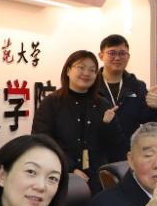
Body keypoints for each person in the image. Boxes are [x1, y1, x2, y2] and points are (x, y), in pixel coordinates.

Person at [32, 50, 119, 193]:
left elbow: (114, 144)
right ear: (68, 70)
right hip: (61, 176)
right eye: (81, 67)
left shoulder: (102, 104)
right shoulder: (51, 102)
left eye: (92, 70)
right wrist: (70, 168)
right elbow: (42, 141)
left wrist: (107, 124)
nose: (86, 73)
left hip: (96, 179)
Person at [98, 34, 157, 163]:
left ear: (128, 57)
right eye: (112, 53)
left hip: (129, 154)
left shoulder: (137, 85)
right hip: (99, 153)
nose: (117, 58)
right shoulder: (91, 85)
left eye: (122, 53)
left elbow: (146, 119)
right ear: (101, 55)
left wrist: (155, 108)